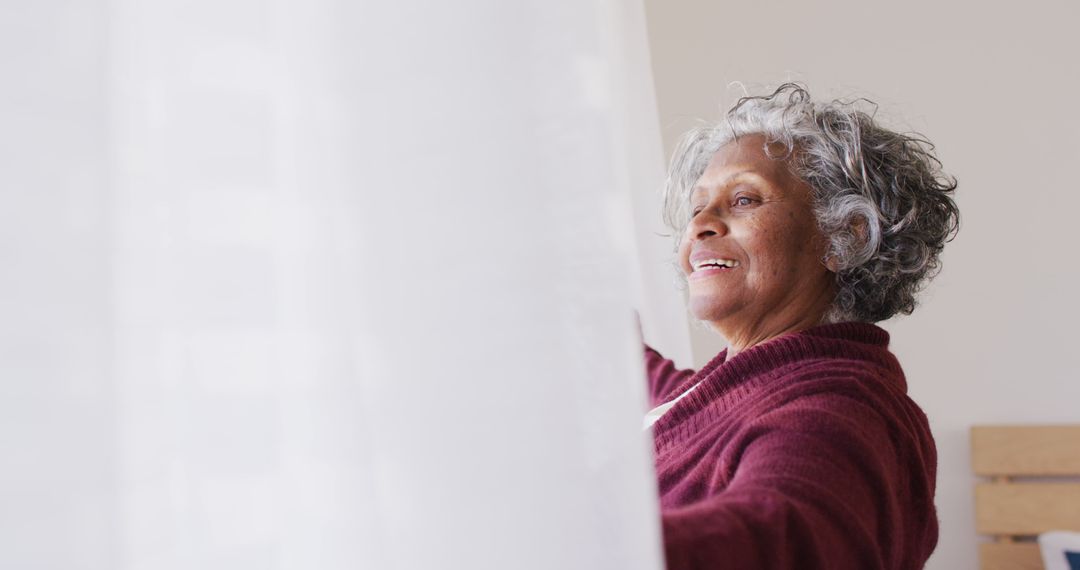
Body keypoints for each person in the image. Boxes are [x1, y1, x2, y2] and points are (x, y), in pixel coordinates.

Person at [643, 83, 959, 569]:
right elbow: (655, 387)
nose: (700, 224)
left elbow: (778, 540)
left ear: (844, 236)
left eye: (744, 199)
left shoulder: (839, 410)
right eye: (696, 207)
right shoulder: (747, 389)